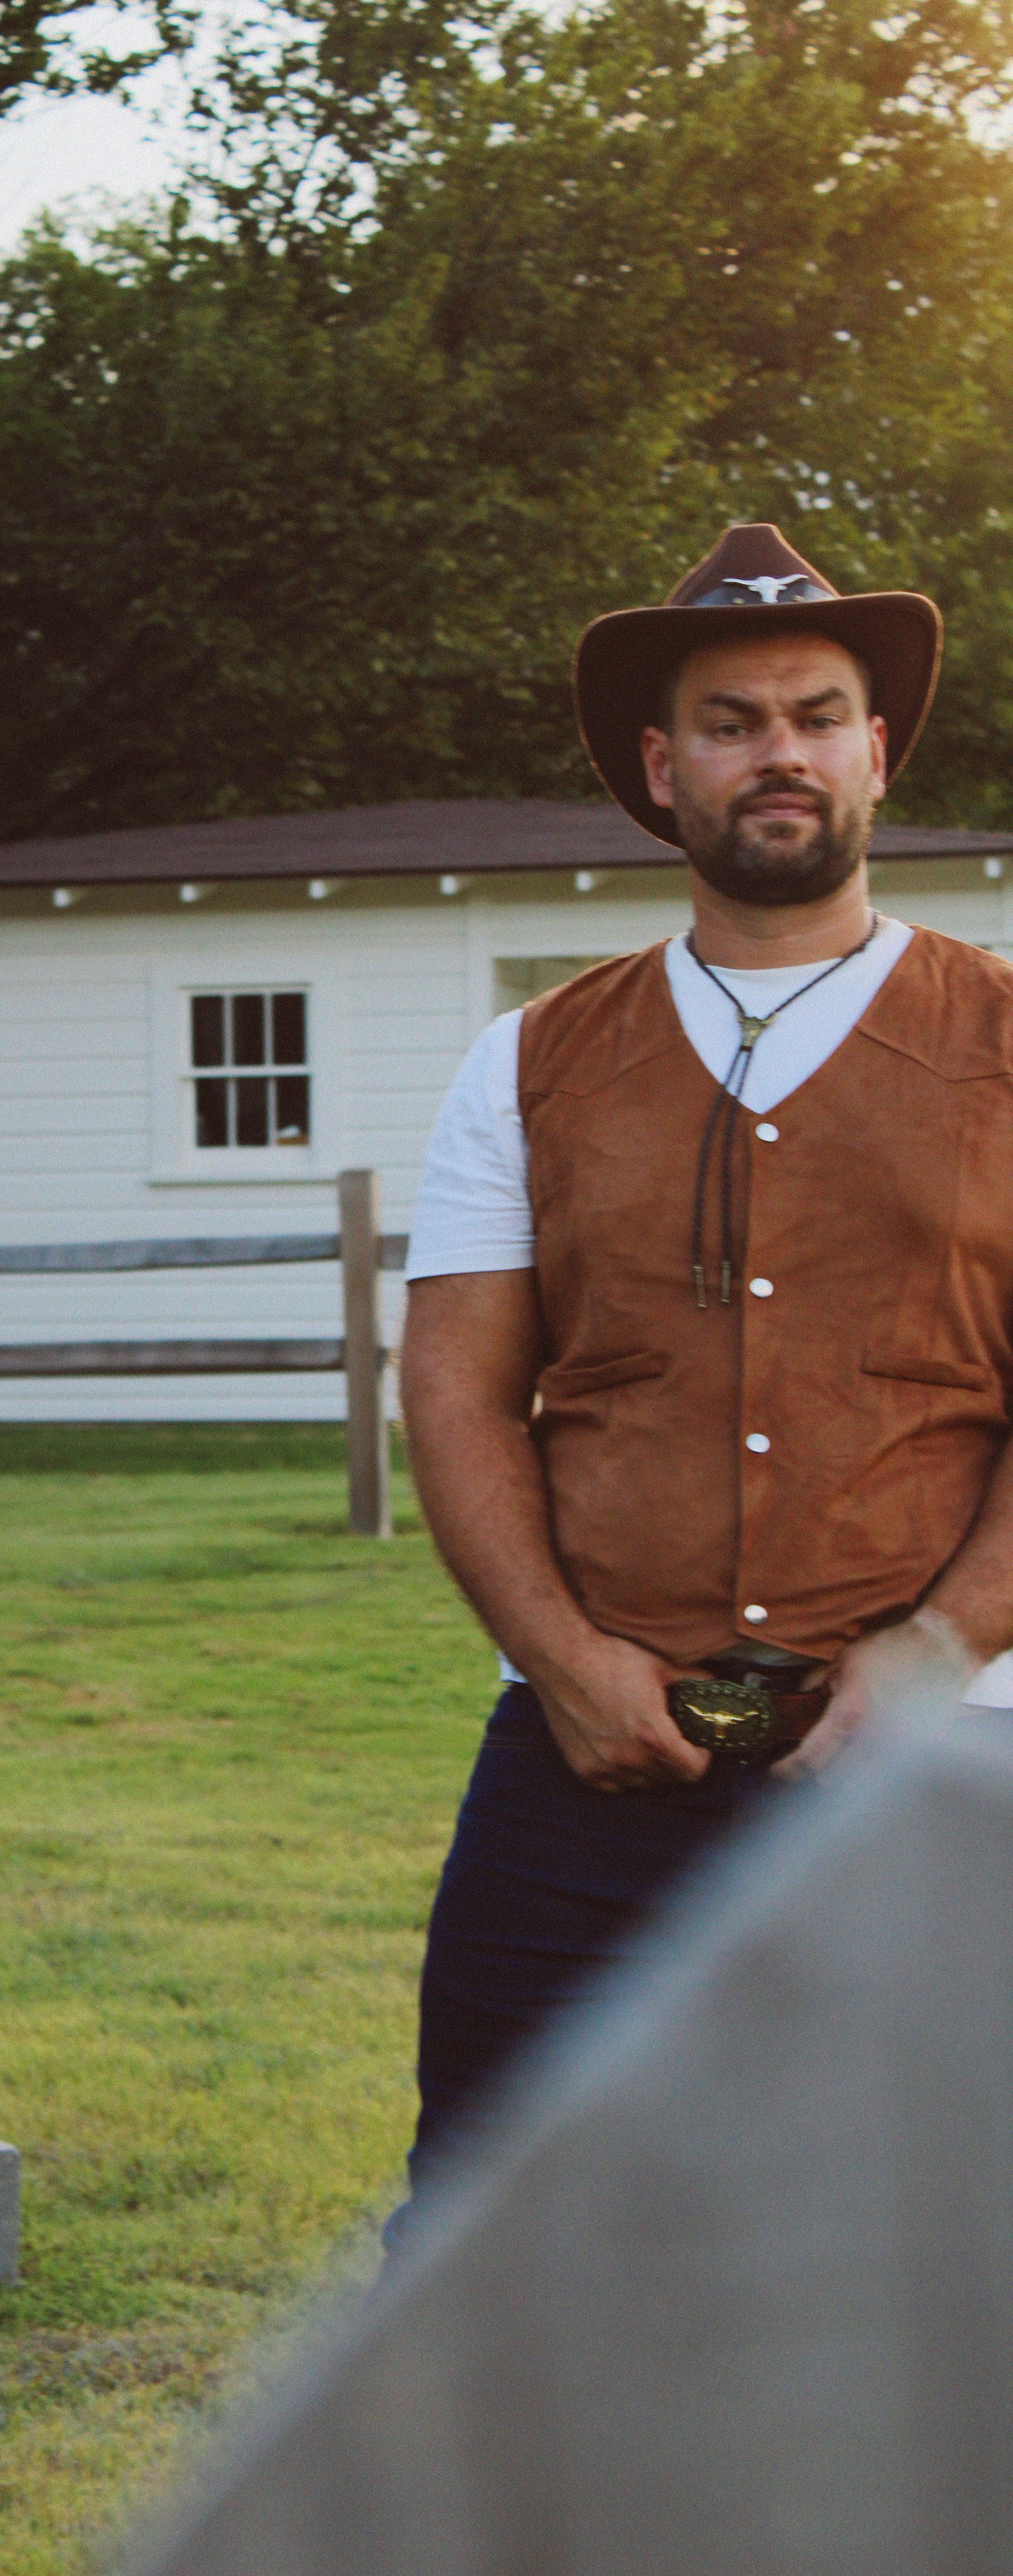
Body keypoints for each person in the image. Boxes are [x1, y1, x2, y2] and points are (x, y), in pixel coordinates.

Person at [394, 520, 1013, 2211]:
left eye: (815, 715)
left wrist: (930, 1656)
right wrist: (562, 1661)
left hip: (940, 1751)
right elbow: (454, 1391)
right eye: (730, 724)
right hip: (587, 1758)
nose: (778, 755)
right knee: (485, 2220)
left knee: (929, 2245)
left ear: (875, 753)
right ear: (662, 772)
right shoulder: (526, 1061)